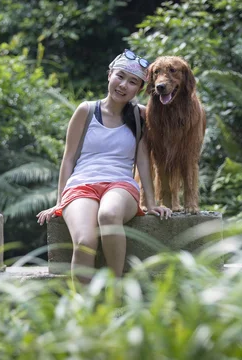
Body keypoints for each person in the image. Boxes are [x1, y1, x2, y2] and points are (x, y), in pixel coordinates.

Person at [37, 49, 171, 280]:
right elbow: (68, 158)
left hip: (121, 185)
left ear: (138, 89)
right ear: (109, 74)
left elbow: (142, 161)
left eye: (132, 82)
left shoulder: (140, 115)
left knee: (108, 215)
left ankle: (115, 290)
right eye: (120, 76)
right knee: (85, 241)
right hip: (81, 185)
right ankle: (84, 307)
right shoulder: (86, 110)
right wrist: (59, 203)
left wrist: (151, 203)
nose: (123, 85)